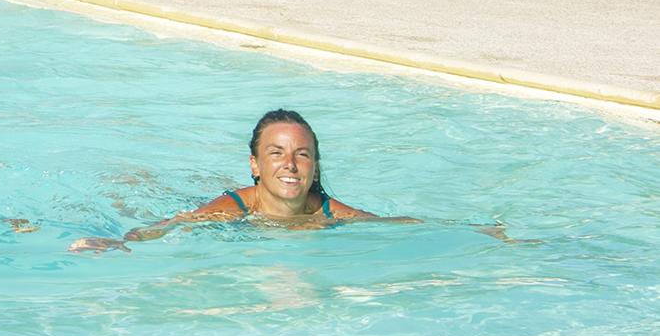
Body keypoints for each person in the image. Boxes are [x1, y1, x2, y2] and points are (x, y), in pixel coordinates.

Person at [73, 110, 414, 251]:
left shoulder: (328, 213)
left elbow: (390, 225)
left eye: (303, 154)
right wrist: (123, 242)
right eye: (277, 153)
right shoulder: (231, 210)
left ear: (315, 166)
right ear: (255, 164)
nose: (291, 165)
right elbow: (174, 223)